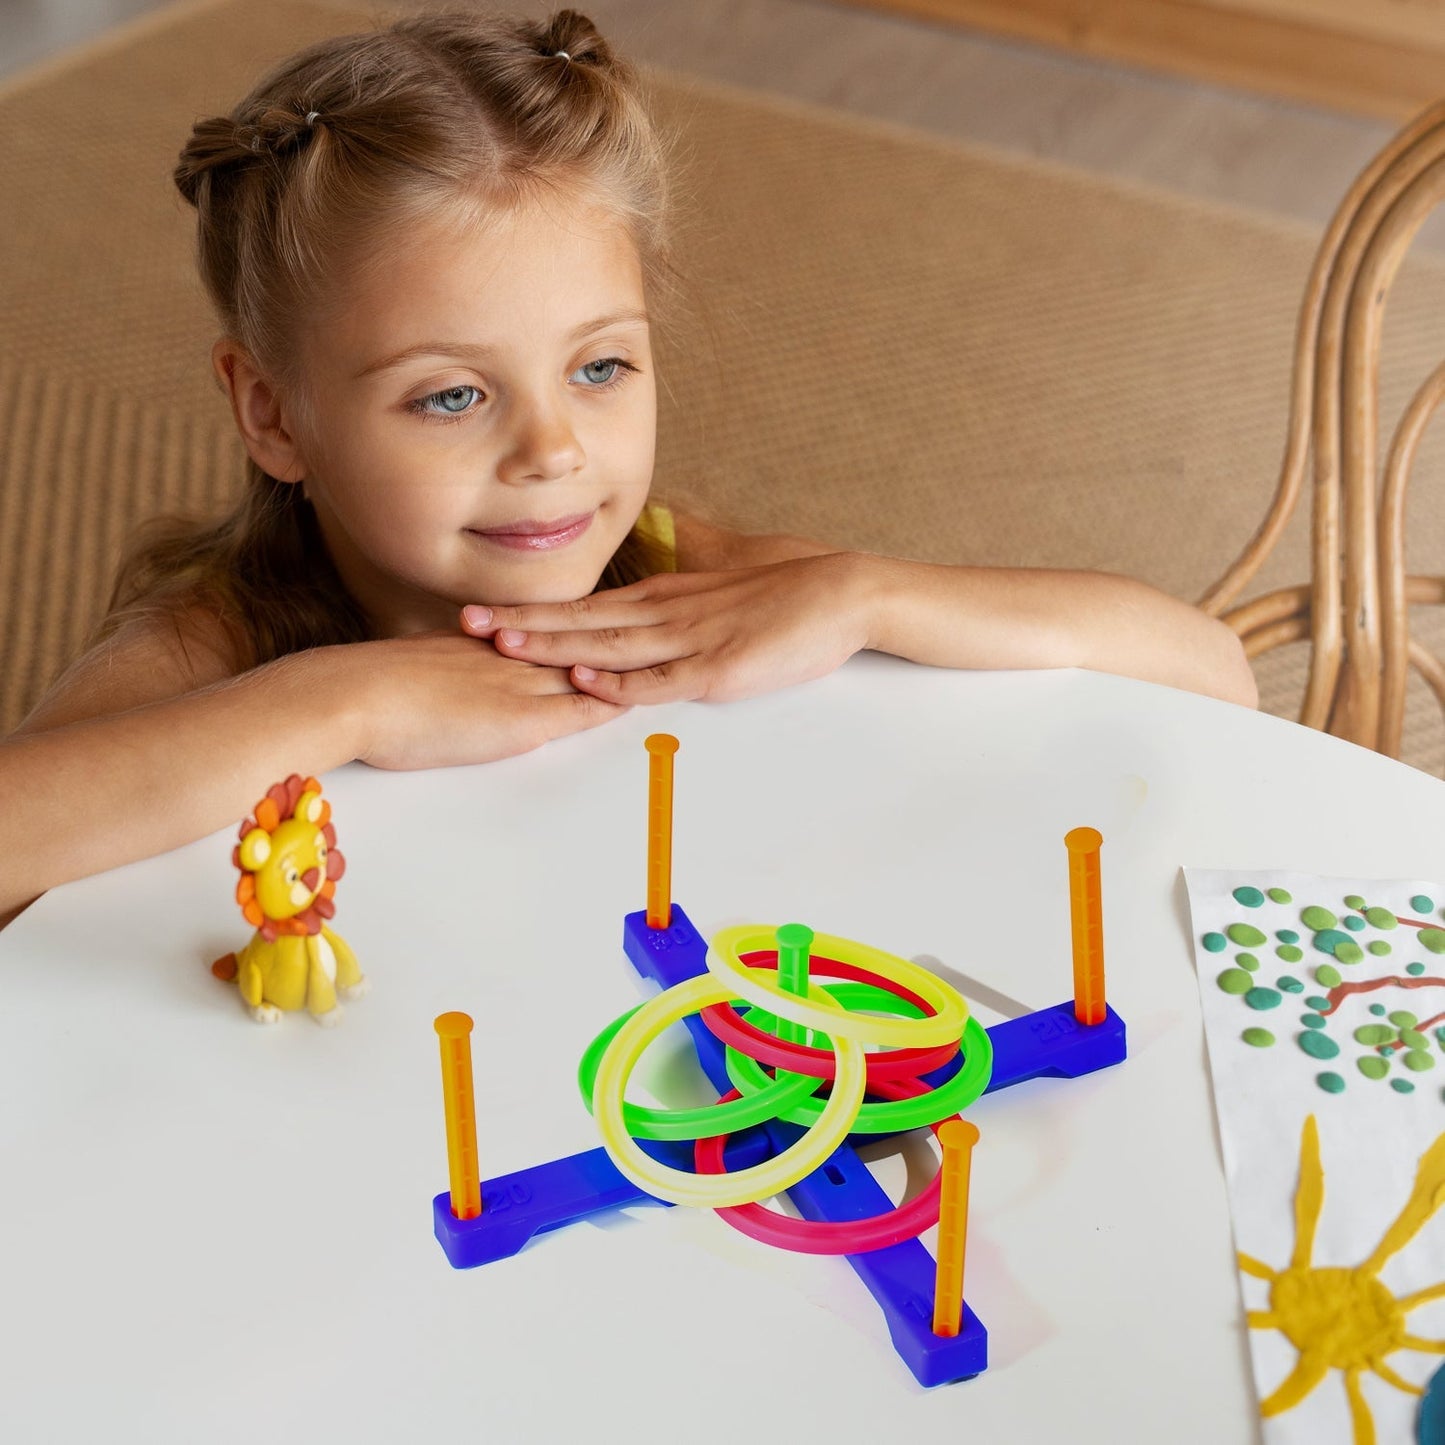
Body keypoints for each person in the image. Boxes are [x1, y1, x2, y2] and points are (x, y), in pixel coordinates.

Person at [0, 8, 1256, 925]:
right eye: (450, 394)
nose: (552, 452)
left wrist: (868, 592)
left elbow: (1210, 673)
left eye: (599, 368)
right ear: (271, 412)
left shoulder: (676, 584)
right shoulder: (219, 640)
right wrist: (347, 701)